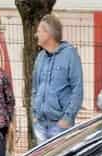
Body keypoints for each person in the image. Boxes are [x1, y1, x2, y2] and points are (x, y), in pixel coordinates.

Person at [31, 14, 82, 144]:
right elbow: (35, 89)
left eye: (39, 31)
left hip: (60, 126)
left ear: (49, 33)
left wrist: (67, 119)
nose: (36, 35)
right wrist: (35, 115)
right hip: (40, 125)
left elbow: (77, 89)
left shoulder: (70, 55)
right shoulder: (40, 57)